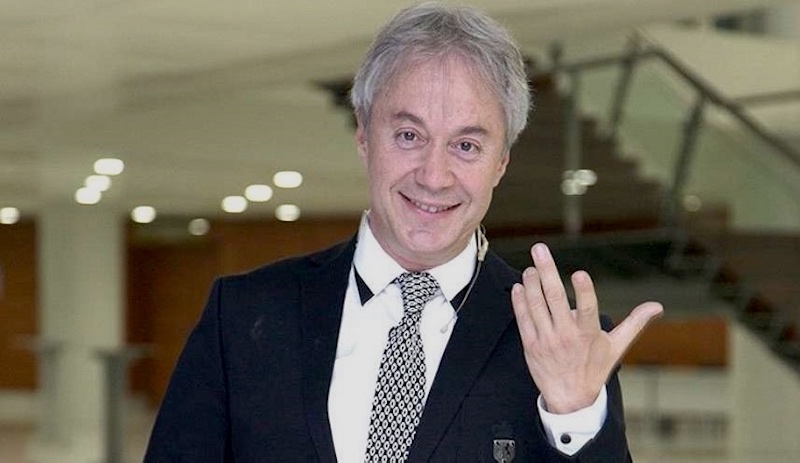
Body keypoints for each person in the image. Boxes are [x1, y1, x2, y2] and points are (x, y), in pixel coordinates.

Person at [144, 3, 663, 462]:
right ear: (364, 135)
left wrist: (575, 417)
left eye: (466, 146)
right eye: (409, 135)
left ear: (501, 162)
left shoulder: (559, 342)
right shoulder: (243, 317)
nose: (434, 177)